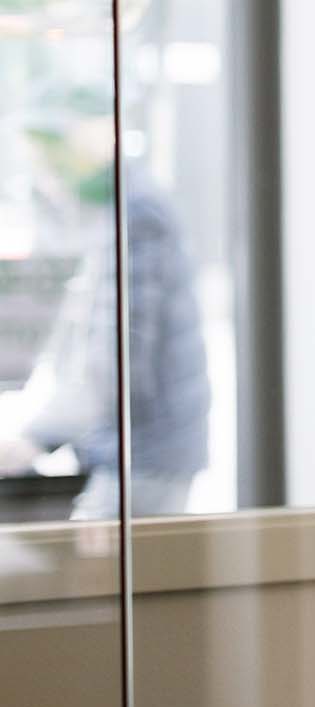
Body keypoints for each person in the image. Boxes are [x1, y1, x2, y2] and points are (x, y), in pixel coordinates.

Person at [0, 86, 211, 519]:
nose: (42, 170)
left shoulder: (135, 215)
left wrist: (36, 437)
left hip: (147, 454)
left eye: (49, 154)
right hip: (124, 447)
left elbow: (115, 361)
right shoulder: (99, 210)